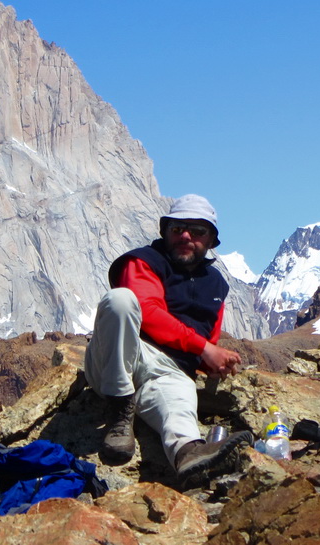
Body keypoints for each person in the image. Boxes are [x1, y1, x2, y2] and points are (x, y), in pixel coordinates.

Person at [84, 194, 253, 483]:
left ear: (211, 240)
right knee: (121, 300)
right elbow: (147, 312)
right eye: (178, 229)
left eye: (197, 231)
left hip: (170, 371)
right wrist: (204, 348)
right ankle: (119, 408)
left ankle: (188, 455)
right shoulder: (142, 261)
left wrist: (210, 362)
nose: (186, 236)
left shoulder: (217, 285)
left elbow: (207, 337)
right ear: (165, 232)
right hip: (124, 355)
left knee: (179, 409)